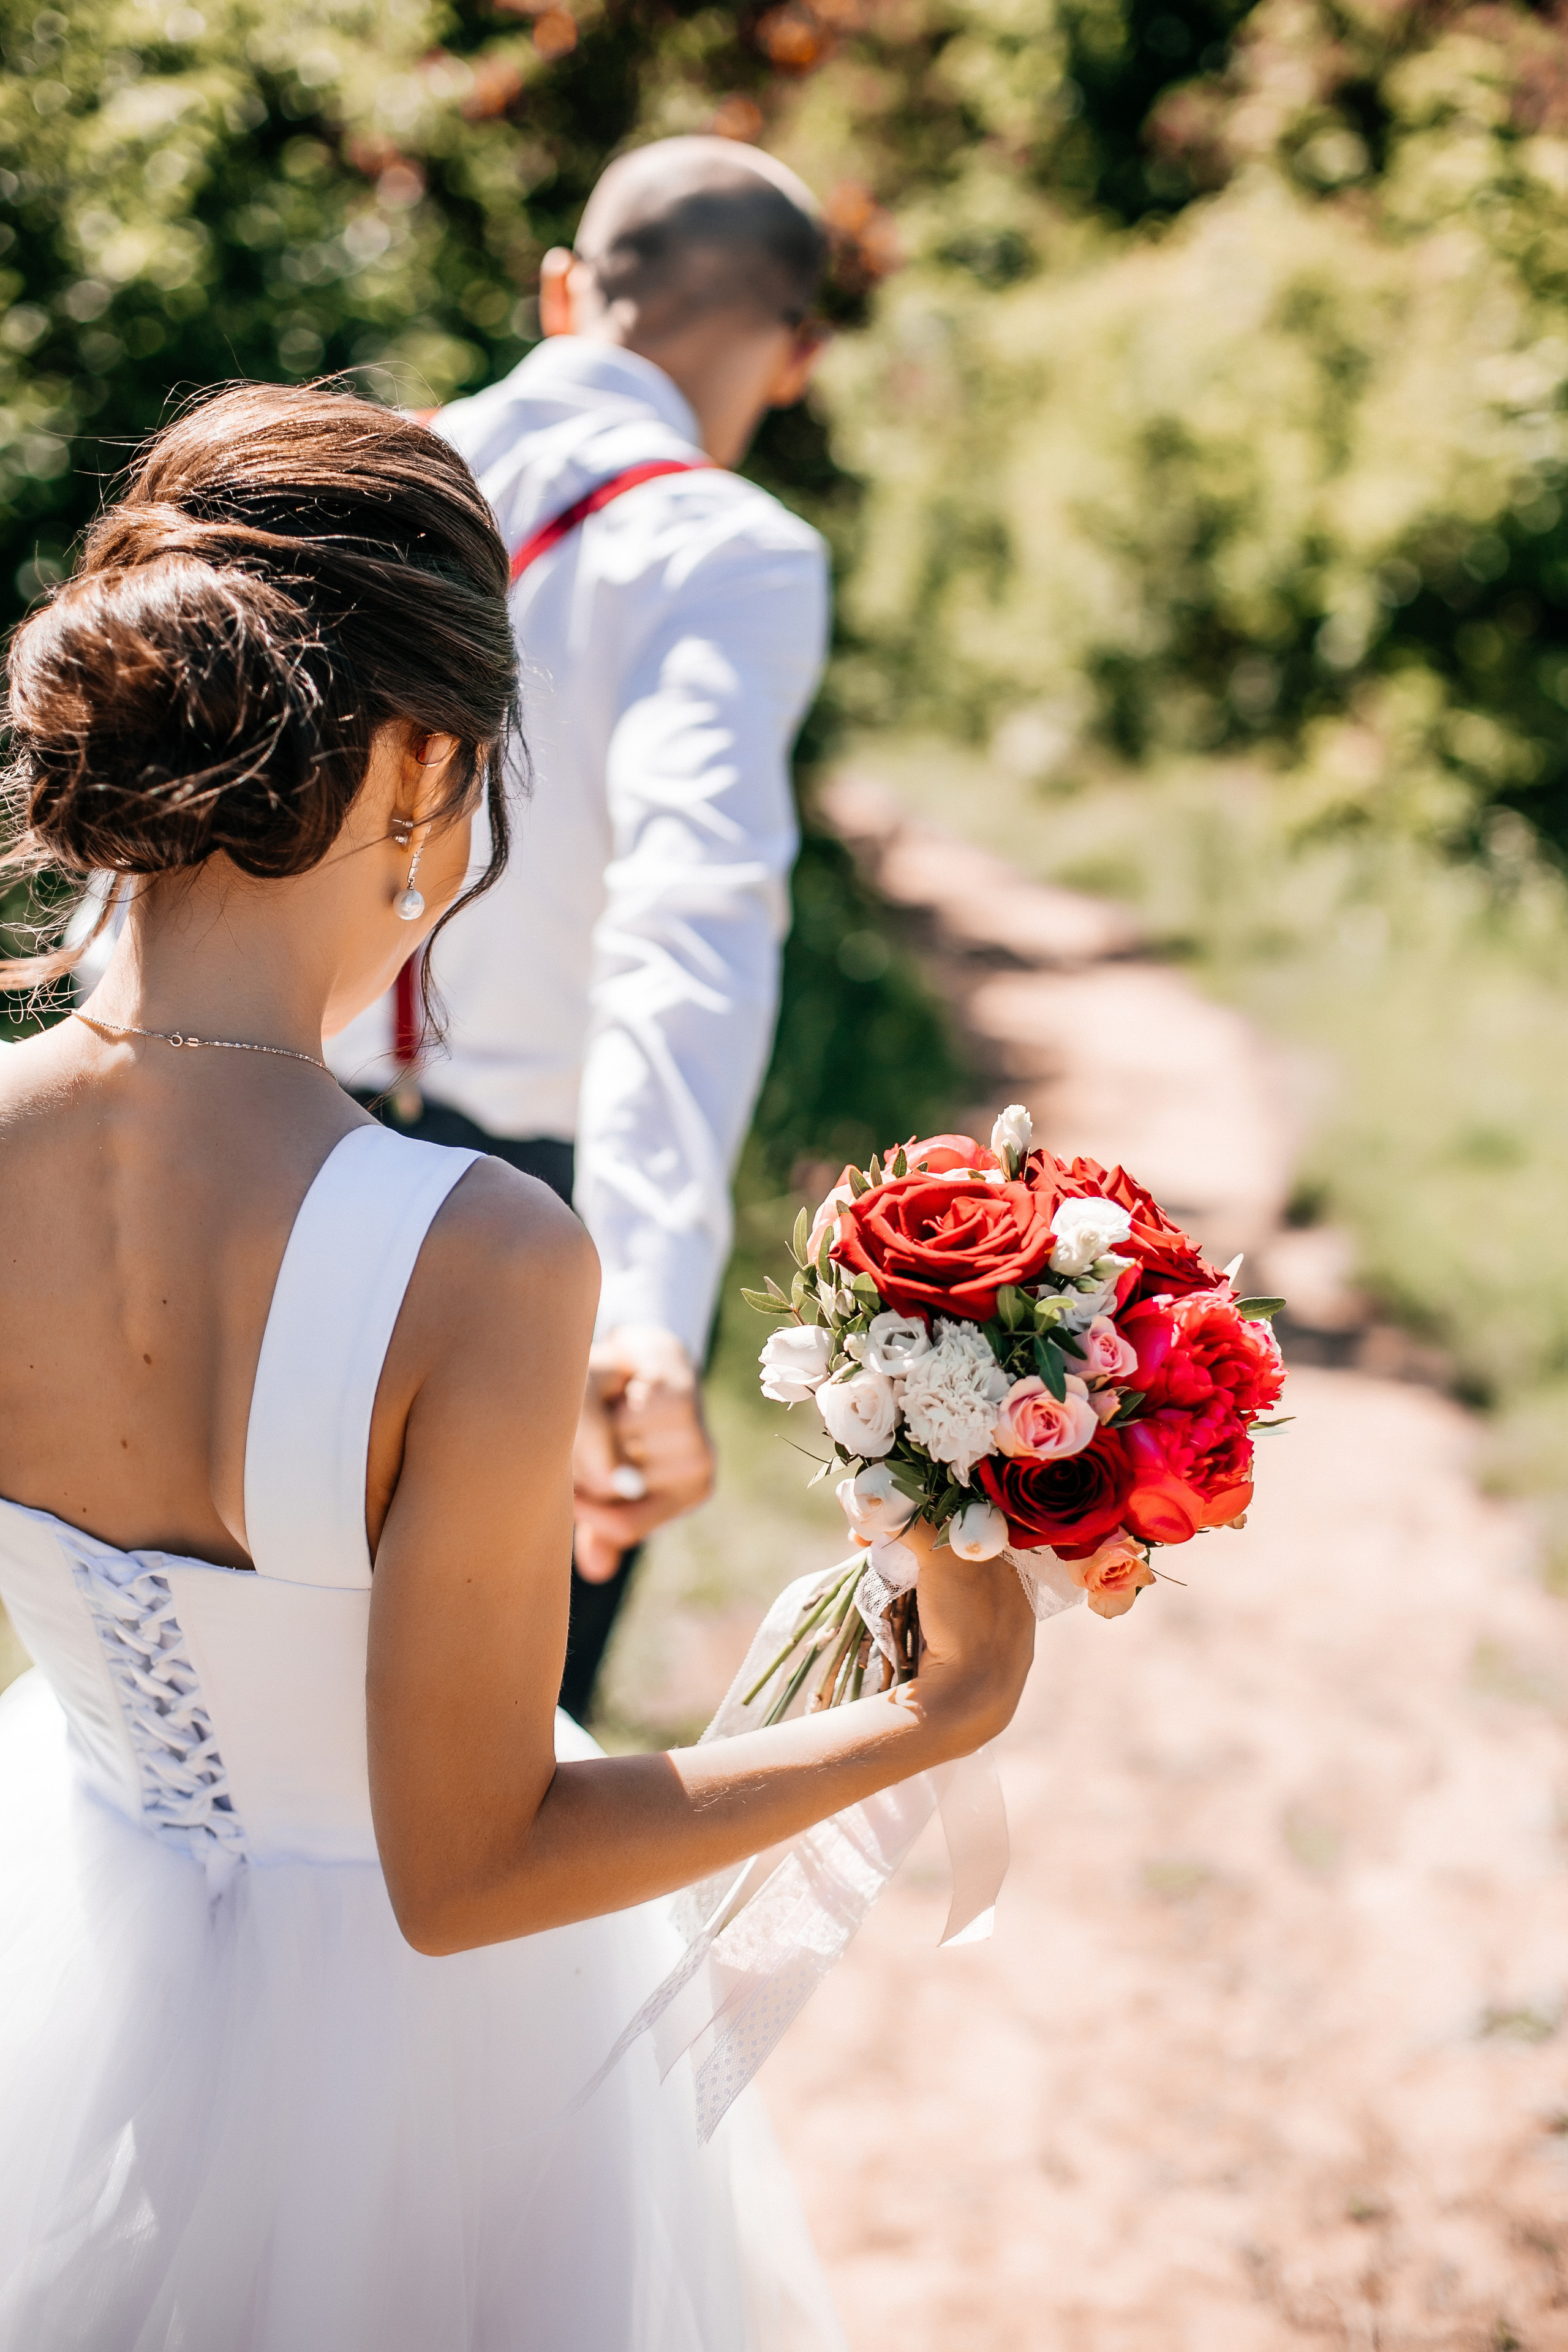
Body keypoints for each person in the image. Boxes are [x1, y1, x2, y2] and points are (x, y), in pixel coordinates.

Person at [0, 382, 1034, 2351]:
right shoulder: (476, 1253)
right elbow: (466, 1874)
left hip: (62, 1976)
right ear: (423, 763)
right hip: (418, 2092)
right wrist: (935, 1714)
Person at [326, 137, 834, 1721]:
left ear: (562, 290)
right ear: (799, 356)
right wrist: (644, 1302)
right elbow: (689, 918)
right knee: (490, 1770)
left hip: (278, 1155)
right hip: (528, 1220)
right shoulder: (727, 551)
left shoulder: (349, 478)